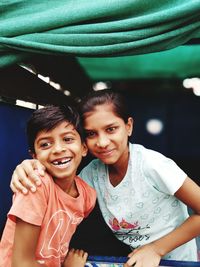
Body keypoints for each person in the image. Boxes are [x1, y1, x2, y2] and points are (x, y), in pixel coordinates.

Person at [9, 89, 200, 267]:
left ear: (128, 126)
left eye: (111, 129)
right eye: (91, 134)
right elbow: (59, 191)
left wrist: (157, 249)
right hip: (137, 260)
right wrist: (28, 167)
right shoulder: (92, 174)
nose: (102, 142)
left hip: (178, 261)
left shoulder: (153, 165)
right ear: (84, 142)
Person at [0, 105, 96, 267]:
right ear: (34, 156)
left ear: (83, 148)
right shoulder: (36, 185)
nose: (58, 149)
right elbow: (21, 263)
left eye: (67, 139)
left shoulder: (87, 196)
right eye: (45, 144)